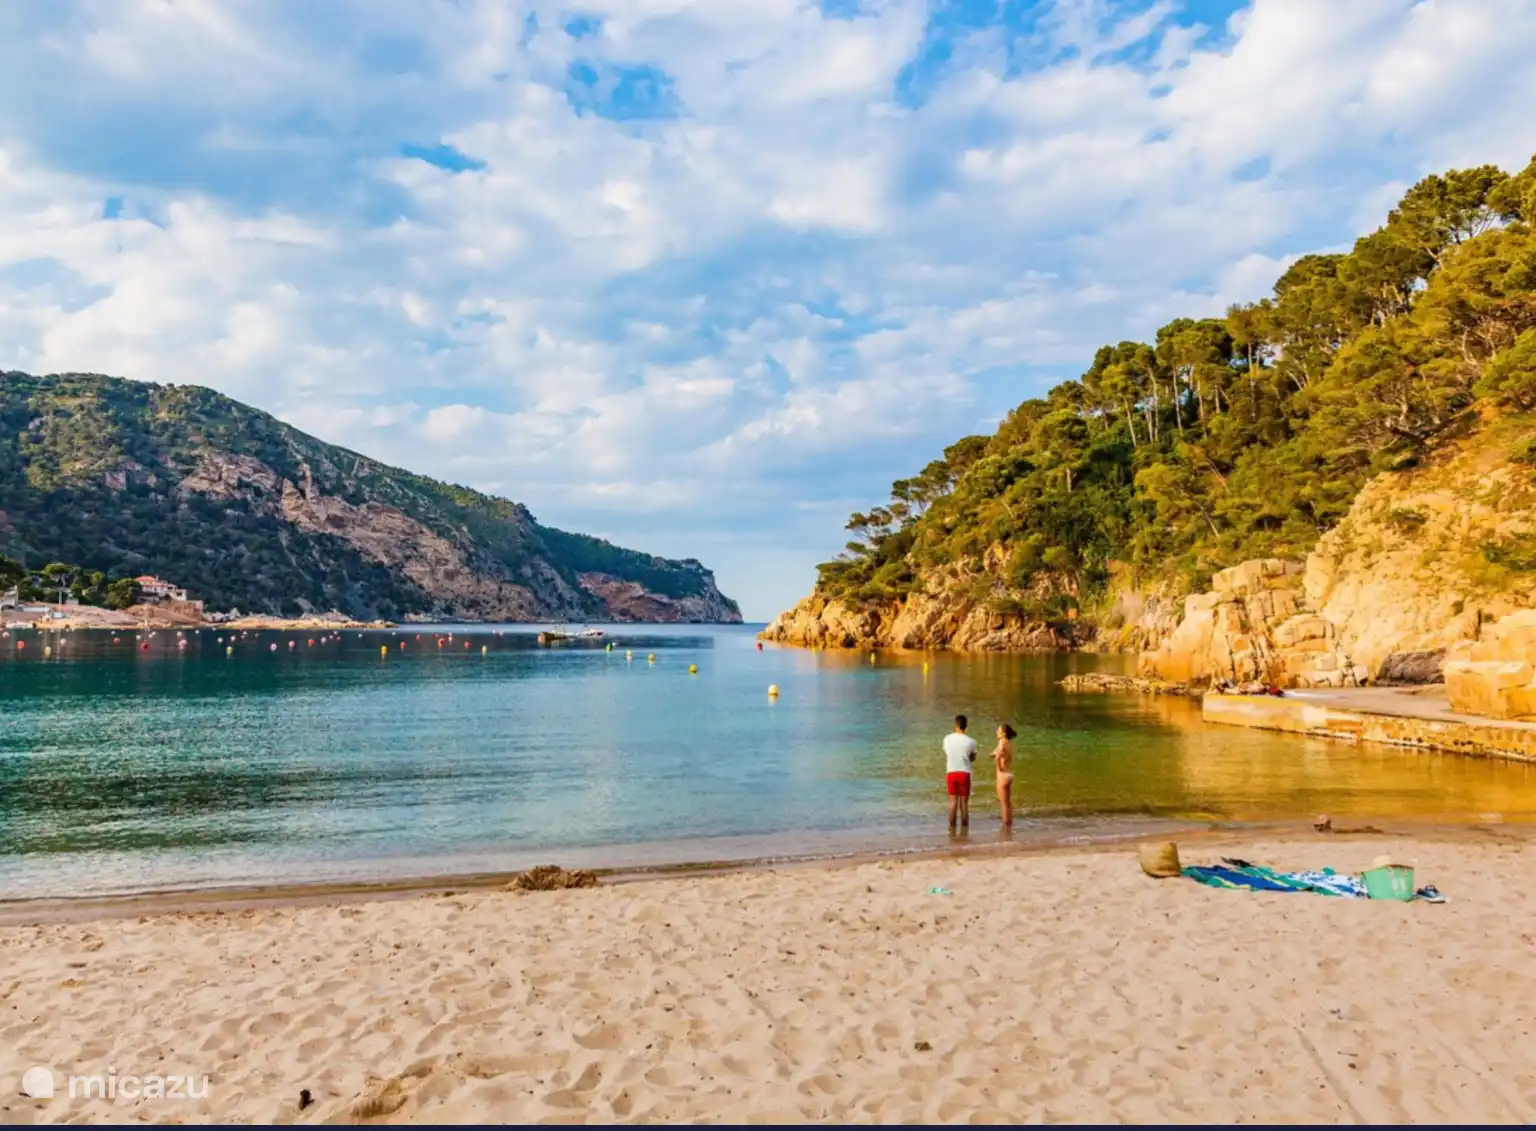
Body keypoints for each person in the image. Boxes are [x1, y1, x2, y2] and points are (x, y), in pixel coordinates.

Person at [943, 714, 978, 832]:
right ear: (966, 726)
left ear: (955, 725)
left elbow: (947, 753)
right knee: (964, 803)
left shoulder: (947, 739)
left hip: (951, 772)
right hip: (964, 772)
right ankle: (964, 830)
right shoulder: (971, 741)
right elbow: (973, 758)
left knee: (952, 802)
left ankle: (951, 829)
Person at [992, 722, 1017, 828]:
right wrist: (993, 754)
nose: (997, 732)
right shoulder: (1007, 742)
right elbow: (997, 752)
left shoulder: (1002, 742)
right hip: (1009, 774)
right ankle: (1009, 822)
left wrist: (999, 767)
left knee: (1003, 803)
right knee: (1007, 802)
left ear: (1003, 733)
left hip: (1002, 775)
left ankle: (1006, 825)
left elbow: (998, 756)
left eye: (999, 731)